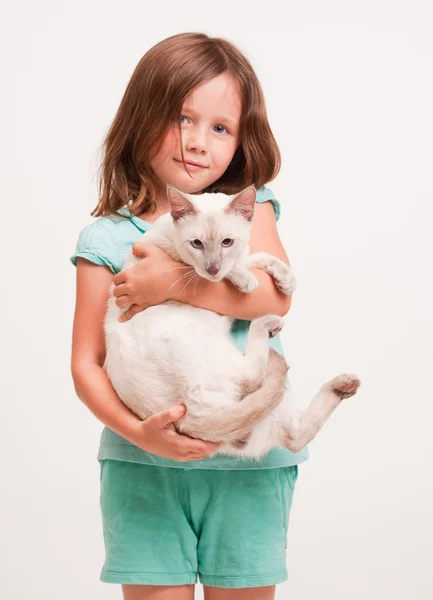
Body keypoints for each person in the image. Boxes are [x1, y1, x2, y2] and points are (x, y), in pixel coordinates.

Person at [70, 32, 309, 600]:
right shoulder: (104, 237)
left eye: (221, 127)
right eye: (183, 118)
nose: (199, 143)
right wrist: (140, 434)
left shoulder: (247, 210)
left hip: (250, 465)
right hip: (143, 466)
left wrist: (166, 283)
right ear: (142, 115)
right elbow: (86, 363)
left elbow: (274, 298)